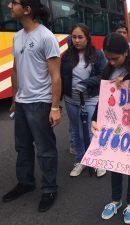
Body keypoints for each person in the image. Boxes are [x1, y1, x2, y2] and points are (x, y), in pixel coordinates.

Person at [2, 0, 61, 212]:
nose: (10, 6)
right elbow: (16, 71)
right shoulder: (17, 36)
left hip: (40, 102)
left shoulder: (46, 37)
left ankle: (49, 189)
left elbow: (55, 76)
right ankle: (25, 183)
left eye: (15, 3)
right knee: (22, 146)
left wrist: (55, 107)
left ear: (27, 10)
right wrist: (14, 99)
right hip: (22, 102)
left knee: (45, 149)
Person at [91, 32, 130, 224]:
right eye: (108, 58)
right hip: (114, 126)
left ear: (126, 52)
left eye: (115, 58)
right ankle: (116, 200)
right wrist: (94, 118)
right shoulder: (107, 71)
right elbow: (104, 98)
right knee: (114, 164)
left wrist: (127, 81)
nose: (112, 62)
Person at [60, 23, 107, 177]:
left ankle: (97, 161)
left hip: (91, 99)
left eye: (80, 37)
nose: (77, 40)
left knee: (91, 131)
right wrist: (56, 102)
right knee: (76, 132)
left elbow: (103, 75)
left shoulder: (97, 54)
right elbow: (61, 77)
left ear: (87, 38)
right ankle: (80, 160)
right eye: (74, 37)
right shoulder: (66, 55)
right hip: (71, 99)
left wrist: (86, 83)